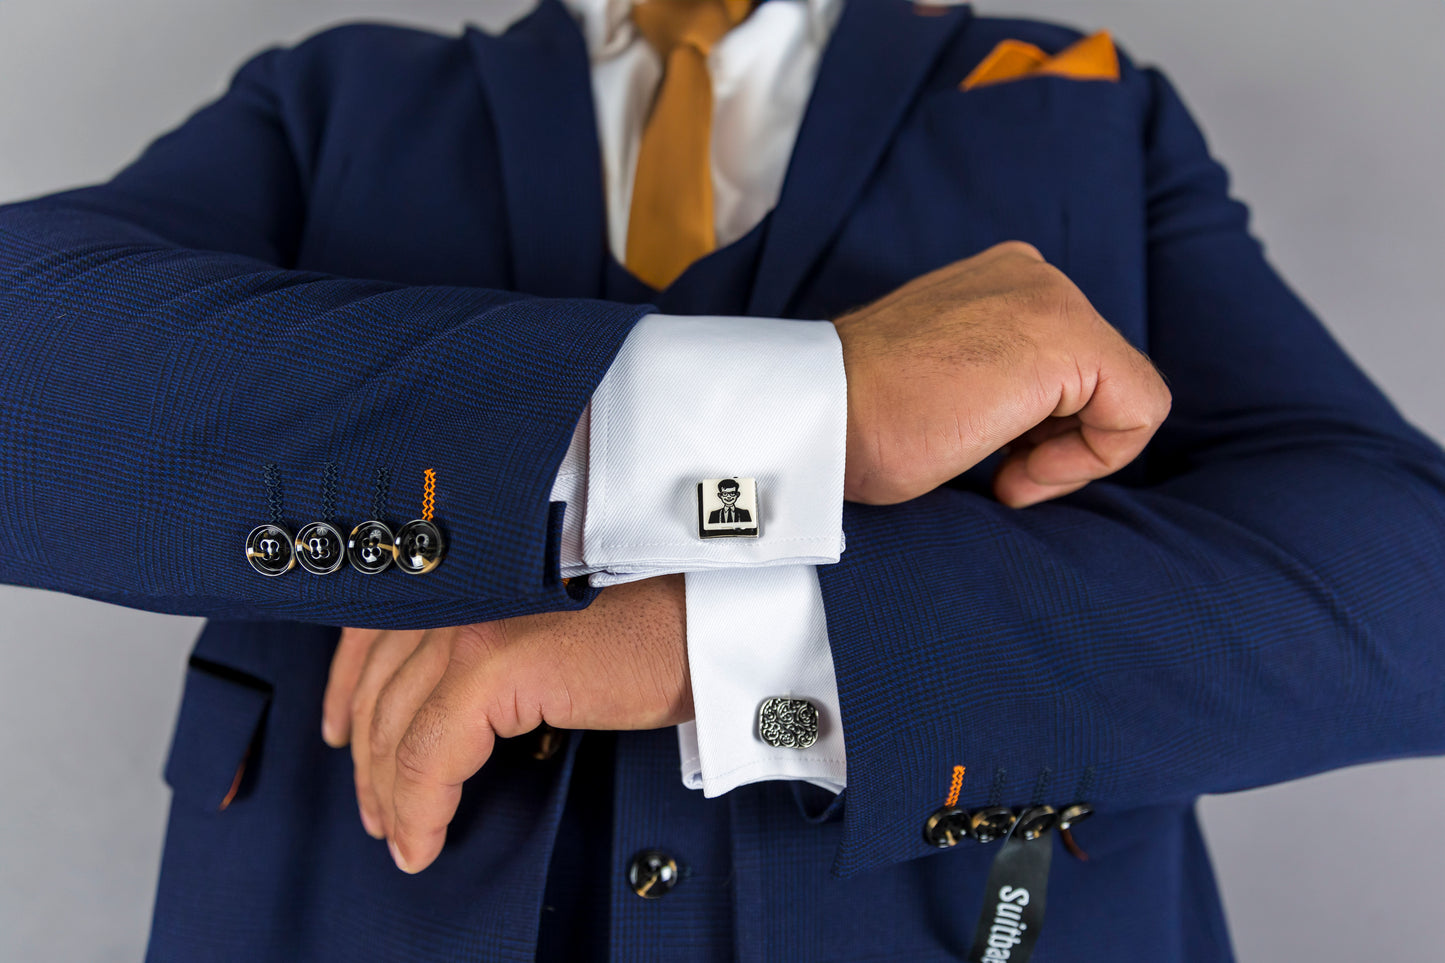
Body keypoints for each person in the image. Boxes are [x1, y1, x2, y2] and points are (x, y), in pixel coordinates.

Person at [1, 1, 1442, 961]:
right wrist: (800, 409)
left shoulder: (1083, 106)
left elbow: (1411, 594)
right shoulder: (337, 100)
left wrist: (722, 641)